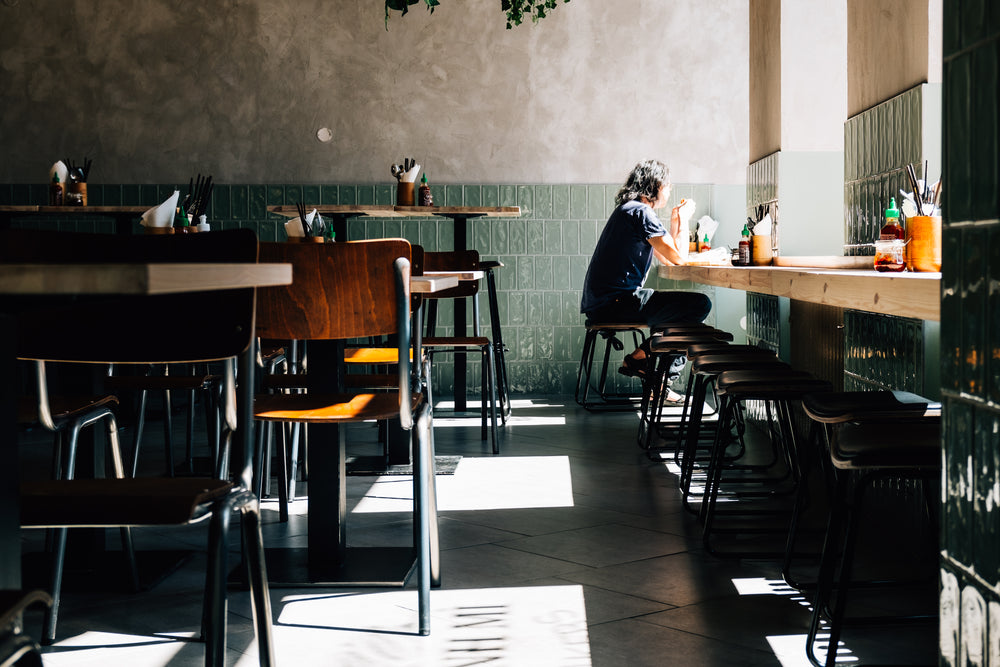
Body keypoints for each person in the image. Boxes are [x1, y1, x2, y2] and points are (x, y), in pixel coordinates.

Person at [580, 159, 712, 398]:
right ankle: (650, 369)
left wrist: (674, 223)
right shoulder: (640, 211)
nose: (670, 190)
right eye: (668, 185)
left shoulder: (630, 210)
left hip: (607, 303)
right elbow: (679, 259)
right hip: (616, 303)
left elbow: (667, 257)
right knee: (699, 306)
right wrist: (683, 219)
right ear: (657, 185)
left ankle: (648, 367)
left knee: (680, 318)